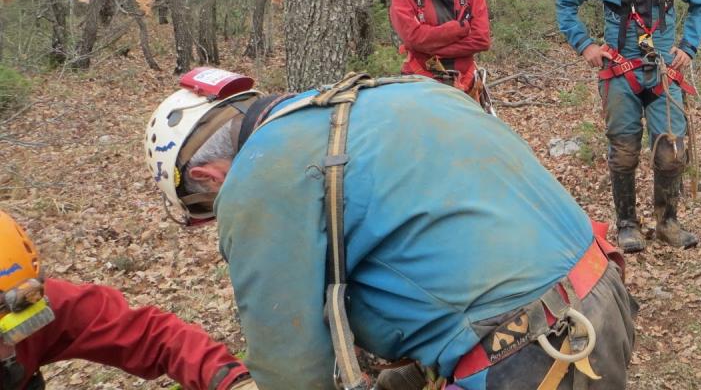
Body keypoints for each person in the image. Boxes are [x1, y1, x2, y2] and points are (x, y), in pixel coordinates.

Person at [142, 67, 634, 390]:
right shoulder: (395, 93)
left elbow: (290, 368)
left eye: (211, 206)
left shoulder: (261, 173)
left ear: (208, 178)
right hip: (600, 297)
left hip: (528, 355)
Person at [555, 0, 701, 253]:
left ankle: (668, 222)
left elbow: (699, 6)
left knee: (671, 149)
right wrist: (586, 46)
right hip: (620, 73)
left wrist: (688, 47)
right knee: (624, 151)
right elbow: (565, 1)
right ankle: (627, 223)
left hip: (663, 73)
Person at [0, 210, 255, 390]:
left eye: (22, 321)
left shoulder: (26, 298)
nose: (12, 346)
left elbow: (147, 334)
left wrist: (229, 379)